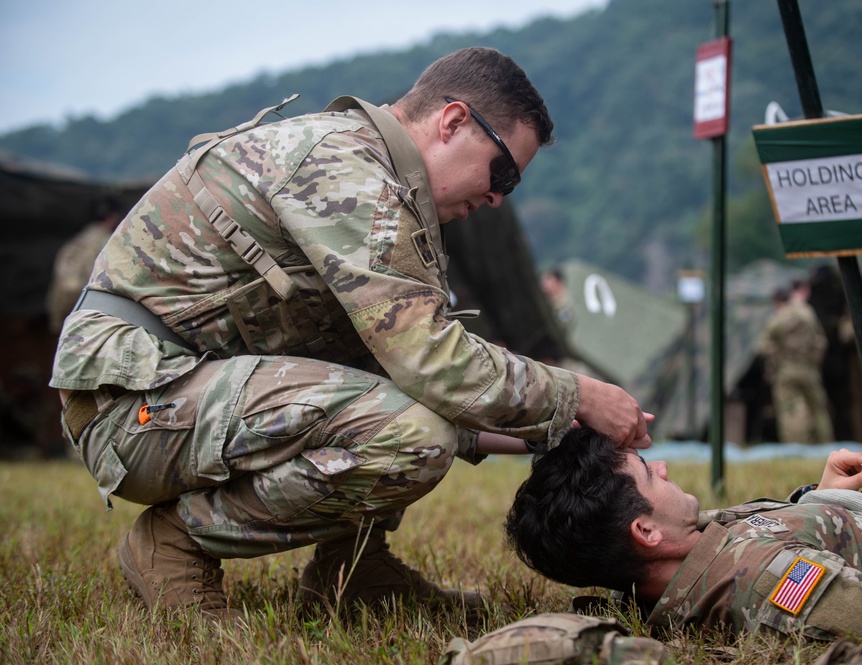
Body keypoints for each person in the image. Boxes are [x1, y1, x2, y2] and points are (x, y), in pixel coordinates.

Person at [49, 47, 652, 623]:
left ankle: (354, 572)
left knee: (400, 407)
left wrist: (551, 427)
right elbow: (434, 365)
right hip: (133, 407)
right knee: (412, 435)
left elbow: (403, 368)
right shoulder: (345, 171)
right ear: (453, 121)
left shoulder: (381, 183)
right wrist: (579, 395)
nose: (497, 197)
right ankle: (177, 540)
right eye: (503, 174)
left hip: (185, 393)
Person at [505, 404, 862, 640]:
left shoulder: (667, 562)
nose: (662, 468)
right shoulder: (768, 587)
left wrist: (817, 497)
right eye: (646, 474)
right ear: (646, 532)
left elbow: (757, 536)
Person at [757, 279, 834, 443]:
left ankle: (796, 446)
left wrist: (777, 357)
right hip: (809, 368)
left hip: (786, 369)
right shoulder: (807, 313)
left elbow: (764, 347)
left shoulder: (779, 317)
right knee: (818, 408)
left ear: (777, 302)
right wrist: (813, 362)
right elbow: (820, 341)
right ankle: (826, 443)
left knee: (790, 409)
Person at [45, 194, 123, 333]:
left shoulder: (76, 241)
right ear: (113, 216)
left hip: (68, 316)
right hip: (93, 320)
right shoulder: (109, 243)